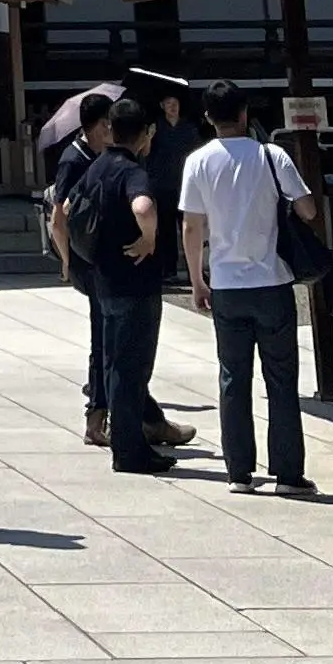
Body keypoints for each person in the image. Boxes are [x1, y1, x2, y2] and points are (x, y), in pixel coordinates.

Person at [178, 83, 321, 498]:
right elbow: (308, 209)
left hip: (225, 283)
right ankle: (289, 473)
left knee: (232, 378)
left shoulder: (197, 162)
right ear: (244, 113)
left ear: (207, 117)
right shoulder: (272, 156)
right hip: (272, 280)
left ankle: (239, 471)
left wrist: (196, 279)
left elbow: (191, 225)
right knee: (281, 378)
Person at [66, 94, 172, 471]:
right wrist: (149, 237)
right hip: (135, 283)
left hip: (104, 280)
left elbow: (65, 210)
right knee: (132, 368)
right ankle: (130, 450)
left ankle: (126, 444)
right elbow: (142, 206)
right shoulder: (132, 171)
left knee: (113, 364)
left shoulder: (96, 167)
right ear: (144, 134)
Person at [131, 71, 200, 449]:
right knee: (163, 233)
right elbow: (150, 154)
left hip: (182, 181)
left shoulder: (188, 129)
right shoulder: (155, 129)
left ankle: (181, 267)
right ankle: (170, 268)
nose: (172, 107)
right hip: (159, 182)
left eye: (175, 103)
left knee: (182, 227)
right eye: (168, 104)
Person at [45, 89, 117, 447]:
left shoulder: (102, 155)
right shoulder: (74, 160)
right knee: (102, 338)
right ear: (99, 125)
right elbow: (59, 215)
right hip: (88, 260)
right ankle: (96, 416)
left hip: (102, 257)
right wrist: (68, 262)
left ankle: (126, 412)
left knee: (113, 336)